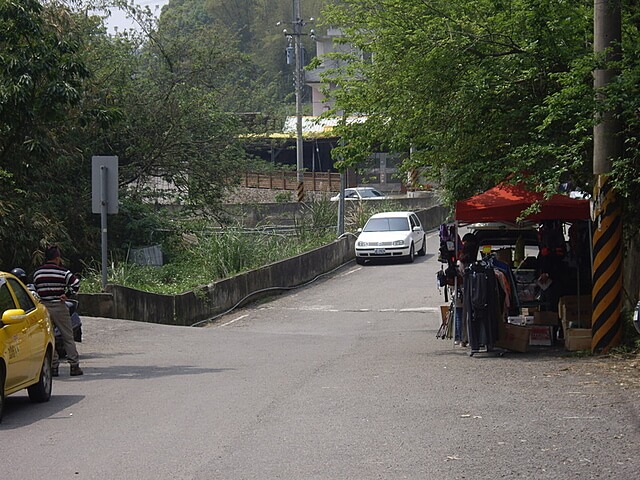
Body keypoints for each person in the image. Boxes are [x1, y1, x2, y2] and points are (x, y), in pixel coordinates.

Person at [33, 245, 83, 377]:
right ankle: (74, 365)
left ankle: (53, 366)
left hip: (44, 307)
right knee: (67, 336)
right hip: (59, 306)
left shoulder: (38, 273)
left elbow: (35, 289)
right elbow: (76, 283)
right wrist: (67, 294)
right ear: (57, 258)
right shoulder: (63, 272)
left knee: (50, 337)